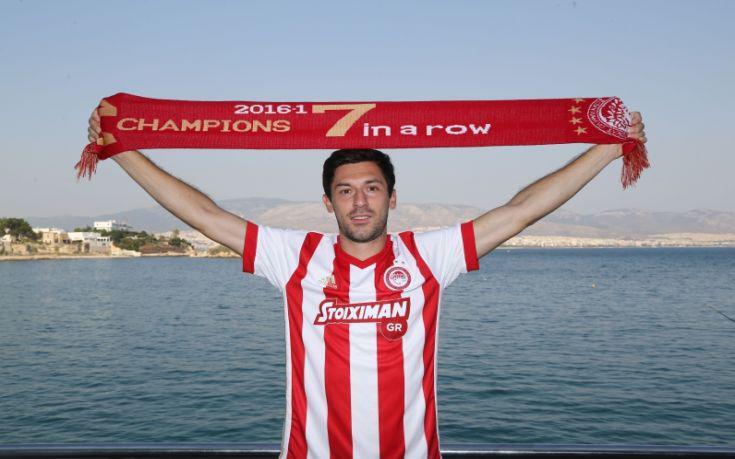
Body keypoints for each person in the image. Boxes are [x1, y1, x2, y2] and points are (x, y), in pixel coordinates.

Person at [87, 108, 646, 459]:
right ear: (328, 202)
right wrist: (121, 150)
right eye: (346, 190)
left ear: (392, 198)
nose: (360, 202)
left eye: (372, 188)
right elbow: (205, 215)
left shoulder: (428, 255)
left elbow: (521, 210)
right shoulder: (295, 257)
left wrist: (607, 148)